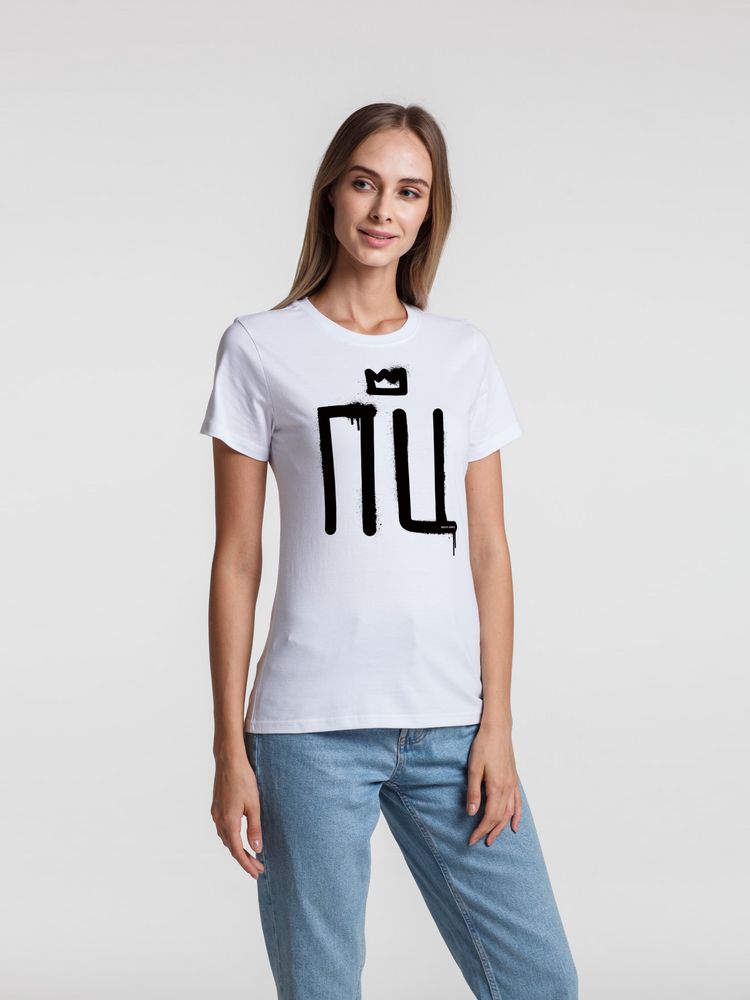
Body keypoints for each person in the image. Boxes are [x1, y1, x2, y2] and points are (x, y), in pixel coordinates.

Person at [199, 102, 578, 1000]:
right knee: (321, 987)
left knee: (540, 981)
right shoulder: (260, 347)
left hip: (452, 726)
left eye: (409, 192)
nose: (383, 210)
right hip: (307, 731)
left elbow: (489, 552)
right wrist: (228, 748)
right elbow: (237, 559)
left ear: (429, 211)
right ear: (331, 192)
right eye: (366, 183)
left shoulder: (461, 354)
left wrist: (498, 726)